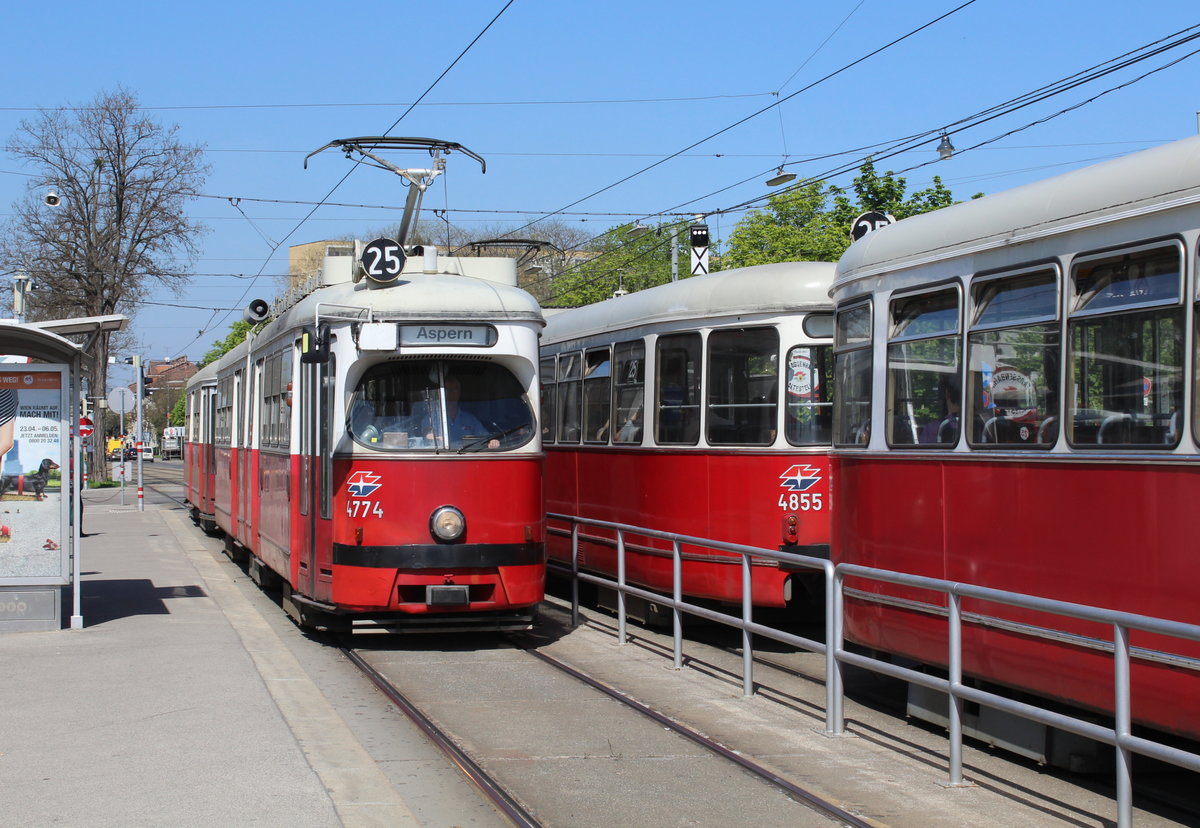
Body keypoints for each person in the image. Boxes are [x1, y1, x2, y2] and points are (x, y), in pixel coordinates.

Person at [412, 375, 499, 449]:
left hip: (466, 458)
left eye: (455, 389)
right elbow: (426, 439)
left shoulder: (470, 419)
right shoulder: (430, 419)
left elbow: (485, 438)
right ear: (441, 394)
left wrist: (492, 441)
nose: (451, 393)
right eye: (448, 390)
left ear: (459, 393)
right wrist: (432, 438)